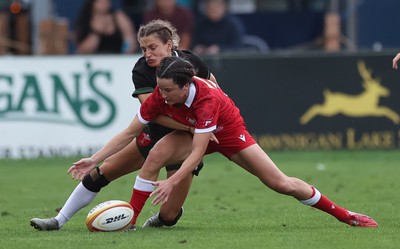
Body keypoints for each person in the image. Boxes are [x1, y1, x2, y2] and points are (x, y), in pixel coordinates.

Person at [69, 56, 378, 228]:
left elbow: (200, 152)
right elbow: (127, 133)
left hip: (227, 132)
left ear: (186, 85)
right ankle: (131, 222)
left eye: (167, 91)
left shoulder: (206, 99)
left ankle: (345, 215)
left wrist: (173, 180)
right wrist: (93, 159)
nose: (161, 96)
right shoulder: (161, 97)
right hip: (194, 132)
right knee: (156, 153)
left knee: (280, 183)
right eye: (159, 89)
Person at [30, 19, 217, 231]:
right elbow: (153, 113)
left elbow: (213, 85)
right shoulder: (142, 70)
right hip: (157, 135)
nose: (147, 53)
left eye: (152, 47)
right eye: (143, 48)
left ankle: (169, 212)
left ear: (169, 45)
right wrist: (93, 159)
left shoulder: (191, 61)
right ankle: (58, 220)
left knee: (168, 216)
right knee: (101, 172)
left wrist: (206, 123)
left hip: (185, 143)